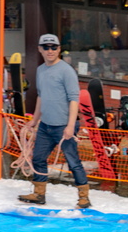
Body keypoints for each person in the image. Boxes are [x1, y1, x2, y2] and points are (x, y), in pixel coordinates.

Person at [19, 33, 91, 209]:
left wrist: (69, 126)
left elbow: (74, 99)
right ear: (40, 50)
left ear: (58, 49)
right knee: (38, 158)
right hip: (46, 125)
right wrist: (35, 120)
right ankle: (39, 193)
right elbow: (41, 97)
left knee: (73, 161)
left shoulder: (67, 71)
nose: (49, 51)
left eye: (53, 47)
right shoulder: (40, 70)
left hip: (64, 126)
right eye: (46, 47)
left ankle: (84, 197)